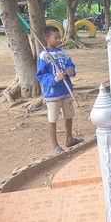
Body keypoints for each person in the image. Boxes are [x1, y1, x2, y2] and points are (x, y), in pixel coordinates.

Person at [36, 26, 82, 154]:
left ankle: (69, 139)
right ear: (47, 39)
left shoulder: (63, 53)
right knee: (53, 119)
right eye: (55, 38)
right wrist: (55, 78)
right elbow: (41, 76)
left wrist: (70, 70)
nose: (59, 40)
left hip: (66, 91)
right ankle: (55, 145)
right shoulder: (44, 56)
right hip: (53, 94)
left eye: (59, 37)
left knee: (69, 115)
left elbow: (70, 65)